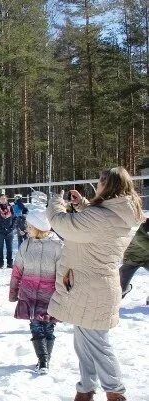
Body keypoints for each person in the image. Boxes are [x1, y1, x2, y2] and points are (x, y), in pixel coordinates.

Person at [47, 167, 144, 401]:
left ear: (107, 186)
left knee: (97, 345)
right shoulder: (121, 213)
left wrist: (55, 203)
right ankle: (86, 388)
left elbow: (62, 224)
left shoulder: (102, 217)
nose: (97, 186)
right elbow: (98, 223)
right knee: (84, 343)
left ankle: (115, 392)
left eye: (100, 182)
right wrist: (83, 205)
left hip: (91, 289)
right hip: (93, 286)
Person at [9, 209, 62, 375]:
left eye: (30, 227)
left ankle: (46, 359)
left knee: (48, 328)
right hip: (29, 294)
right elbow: (17, 270)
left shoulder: (57, 246)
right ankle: (43, 360)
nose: (27, 229)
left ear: (39, 227)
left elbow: (63, 272)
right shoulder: (26, 245)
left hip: (50, 295)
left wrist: (64, 293)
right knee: (35, 326)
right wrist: (13, 291)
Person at [119, 217, 149, 298]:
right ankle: (125, 289)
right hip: (132, 260)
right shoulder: (138, 234)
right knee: (120, 288)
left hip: (146, 258)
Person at [0, 194, 15, 269]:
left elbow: (15, 219)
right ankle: (1, 264)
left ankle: (9, 264)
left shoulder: (11, 208)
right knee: (0, 248)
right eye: (1, 198)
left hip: (9, 232)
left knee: (9, 248)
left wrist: (11, 228)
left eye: (4, 198)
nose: (3, 200)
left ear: (7, 199)